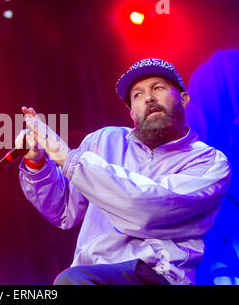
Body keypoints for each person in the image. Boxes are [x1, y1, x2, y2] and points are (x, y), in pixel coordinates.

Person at [16, 58, 231, 285]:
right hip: (94, 273)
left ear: (184, 99)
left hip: (157, 274)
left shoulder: (208, 161)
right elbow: (64, 210)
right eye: (137, 95)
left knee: (71, 281)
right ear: (132, 114)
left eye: (158, 87)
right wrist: (37, 164)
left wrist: (69, 159)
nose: (148, 97)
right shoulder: (104, 140)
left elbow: (150, 209)